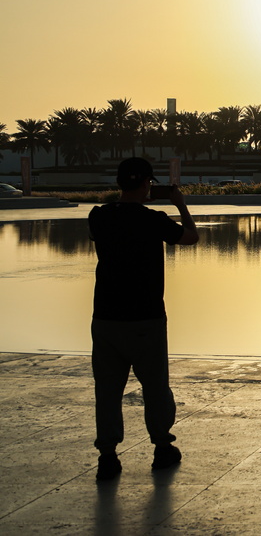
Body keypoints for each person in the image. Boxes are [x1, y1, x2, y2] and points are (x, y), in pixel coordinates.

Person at [88, 157, 199, 481]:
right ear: (148, 184)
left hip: (106, 318)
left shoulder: (99, 217)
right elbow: (190, 237)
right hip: (145, 318)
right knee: (154, 387)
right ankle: (162, 446)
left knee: (107, 391)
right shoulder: (154, 219)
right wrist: (181, 205)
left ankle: (108, 456)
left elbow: (101, 230)